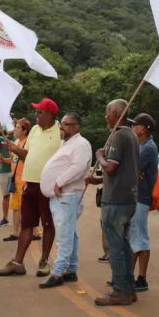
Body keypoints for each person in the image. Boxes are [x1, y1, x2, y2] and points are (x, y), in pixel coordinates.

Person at [0, 98, 61, 277]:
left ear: (49, 114)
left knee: (48, 224)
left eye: (39, 112)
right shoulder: (33, 130)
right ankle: (18, 262)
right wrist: (16, 150)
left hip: (47, 186)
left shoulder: (60, 133)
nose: (36, 115)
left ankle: (44, 261)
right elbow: (28, 156)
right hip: (29, 184)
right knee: (26, 224)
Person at [86, 99, 140, 306]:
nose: (105, 116)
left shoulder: (118, 136)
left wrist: (99, 155)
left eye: (107, 112)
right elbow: (121, 170)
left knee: (115, 247)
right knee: (124, 245)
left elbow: (111, 168)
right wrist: (97, 180)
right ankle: (128, 288)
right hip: (127, 199)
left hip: (116, 200)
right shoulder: (131, 135)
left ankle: (120, 290)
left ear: (117, 113)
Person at [38, 112, 92, 289]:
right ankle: (70, 269)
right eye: (62, 124)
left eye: (66, 124)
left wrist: (59, 182)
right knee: (71, 233)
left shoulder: (81, 144)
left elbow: (79, 166)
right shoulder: (67, 143)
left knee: (64, 235)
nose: (61, 127)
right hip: (62, 197)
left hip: (67, 195)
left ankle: (58, 272)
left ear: (76, 126)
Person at [130, 113, 158, 292]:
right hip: (136, 195)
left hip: (141, 196)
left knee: (139, 237)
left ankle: (140, 278)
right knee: (135, 236)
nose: (133, 127)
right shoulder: (141, 145)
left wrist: (133, 171)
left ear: (143, 129)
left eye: (135, 124)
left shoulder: (148, 148)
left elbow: (131, 168)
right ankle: (129, 276)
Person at [0, 118, 32, 242]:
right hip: (16, 178)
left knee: (21, 207)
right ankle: (17, 232)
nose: (15, 129)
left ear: (25, 131)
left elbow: (26, 158)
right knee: (16, 207)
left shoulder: (28, 142)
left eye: (18, 127)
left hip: (23, 178)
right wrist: (4, 160)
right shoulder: (17, 141)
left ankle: (21, 232)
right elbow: (14, 160)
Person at [0, 127, 16, 227]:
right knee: (5, 196)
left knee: (18, 196)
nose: (12, 129)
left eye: (15, 126)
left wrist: (4, 160)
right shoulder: (0, 139)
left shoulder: (17, 140)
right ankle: (5, 218)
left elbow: (15, 159)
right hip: (3, 171)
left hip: (15, 171)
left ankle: (19, 219)